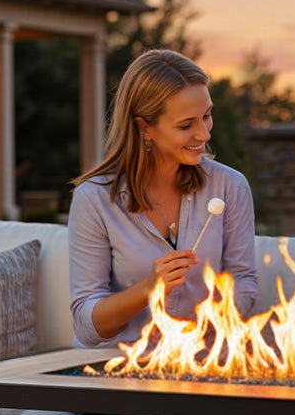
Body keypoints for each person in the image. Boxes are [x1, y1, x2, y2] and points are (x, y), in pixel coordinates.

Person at [68, 50, 257, 348]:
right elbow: (86, 327)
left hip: (200, 362)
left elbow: (244, 281)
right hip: (116, 368)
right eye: (186, 125)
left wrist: (218, 320)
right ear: (145, 128)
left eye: (206, 116)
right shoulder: (94, 199)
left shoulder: (230, 186)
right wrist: (149, 288)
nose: (204, 134)